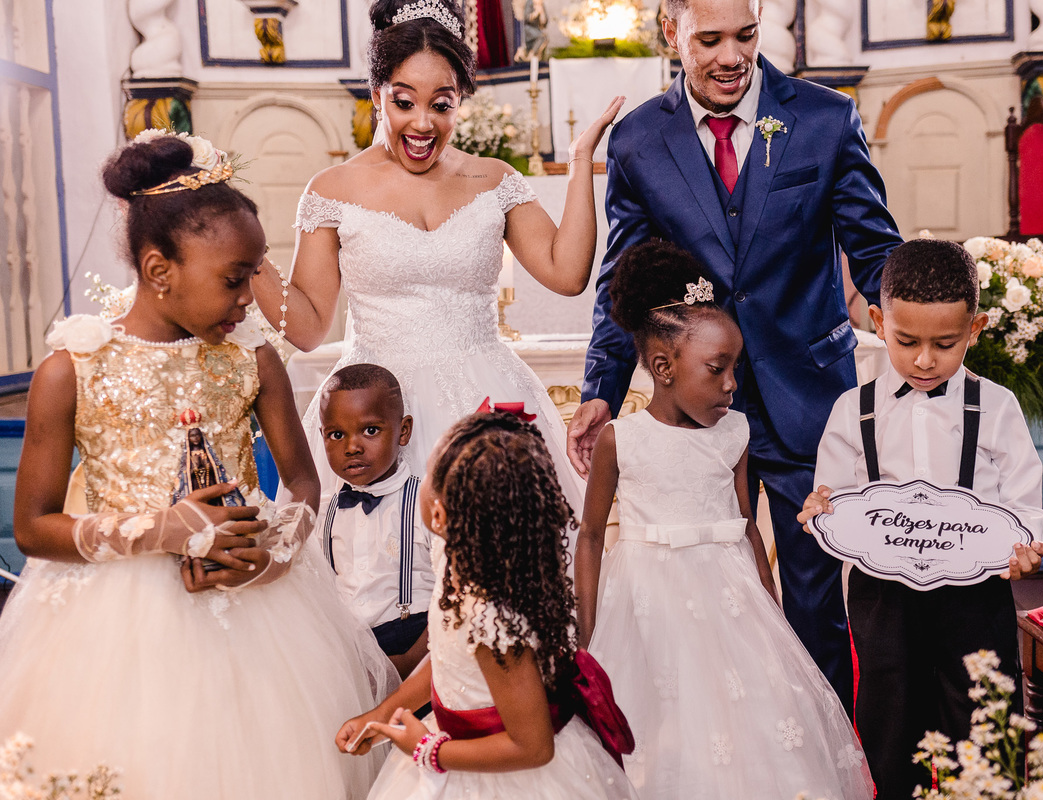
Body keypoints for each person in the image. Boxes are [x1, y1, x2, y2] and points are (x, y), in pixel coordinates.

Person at [0, 132, 395, 800]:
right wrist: (162, 531)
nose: (250, 299)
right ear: (160, 273)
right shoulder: (73, 370)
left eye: (254, 275)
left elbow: (302, 480)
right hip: (112, 627)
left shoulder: (252, 357)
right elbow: (35, 526)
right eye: (234, 280)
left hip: (258, 608)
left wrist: (275, 553)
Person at [566, 0, 905, 711]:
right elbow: (621, 278)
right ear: (672, 34)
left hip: (808, 395)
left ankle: (827, 750)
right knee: (710, 593)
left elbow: (874, 248)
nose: (731, 57)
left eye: (745, 36)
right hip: (697, 408)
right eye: (710, 39)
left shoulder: (824, 118)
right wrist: (601, 385)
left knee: (815, 599)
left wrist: (914, 328)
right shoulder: (637, 141)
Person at [250, 0, 623, 519]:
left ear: (460, 102)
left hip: (487, 396)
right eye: (405, 102)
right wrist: (250, 258)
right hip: (374, 410)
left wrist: (583, 159)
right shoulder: (331, 190)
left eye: (442, 105)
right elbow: (309, 329)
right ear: (378, 95)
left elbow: (567, 273)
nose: (423, 124)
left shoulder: (493, 179)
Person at [575, 241, 874, 800]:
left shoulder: (735, 432)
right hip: (644, 599)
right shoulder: (623, 437)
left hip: (728, 597)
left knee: (745, 717)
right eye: (718, 369)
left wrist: (770, 607)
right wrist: (586, 632)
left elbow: (746, 524)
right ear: (663, 368)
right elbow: (591, 537)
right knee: (659, 718)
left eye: (734, 367)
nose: (732, 384)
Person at [798, 238, 1043, 800]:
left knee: (983, 732)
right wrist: (822, 513)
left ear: (976, 329)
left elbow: (1024, 502)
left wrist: (1026, 544)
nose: (923, 360)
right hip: (883, 600)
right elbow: (835, 498)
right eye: (905, 340)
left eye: (945, 344)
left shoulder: (998, 408)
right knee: (891, 734)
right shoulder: (852, 411)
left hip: (975, 599)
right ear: (876, 321)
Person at [337, 412, 638, 800]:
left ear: (441, 515)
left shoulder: (491, 617)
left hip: (507, 773)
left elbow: (533, 747)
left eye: (430, 473)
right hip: (458, 741)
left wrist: (426, 749)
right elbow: (448, 660)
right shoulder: (460, 554)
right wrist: (382, 714)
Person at [318, 363, 435, 677]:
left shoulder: (427, 503)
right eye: (336, 435)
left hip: (415, 646)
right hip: (348, 651)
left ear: (403, 431)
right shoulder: (324, 510)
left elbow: (452, 596)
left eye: (370, 430)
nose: (352, 447)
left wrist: (410, 662)